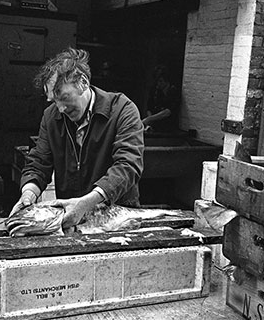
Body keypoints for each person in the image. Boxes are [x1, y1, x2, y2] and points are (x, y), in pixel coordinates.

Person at [10, 47, 144, 233]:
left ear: (83, 82)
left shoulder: (122, 110)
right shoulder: (51, 117)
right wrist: (28, 193)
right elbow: (39, 163)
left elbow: (128, 166)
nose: (61, 108)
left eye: (64, 98)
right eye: (54, 101)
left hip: (118, 221)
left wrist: (87, 203)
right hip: (71, 221)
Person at [141, 65, 179, 132]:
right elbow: (150, 107)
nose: (158, 84)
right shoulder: (155, 90)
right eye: (157, 81)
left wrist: (149, 119)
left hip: (168, 127)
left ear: (167, 81)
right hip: (155, 125)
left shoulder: (173, 92)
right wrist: (150, 120)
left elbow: (168, 112)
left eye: (161, 81)